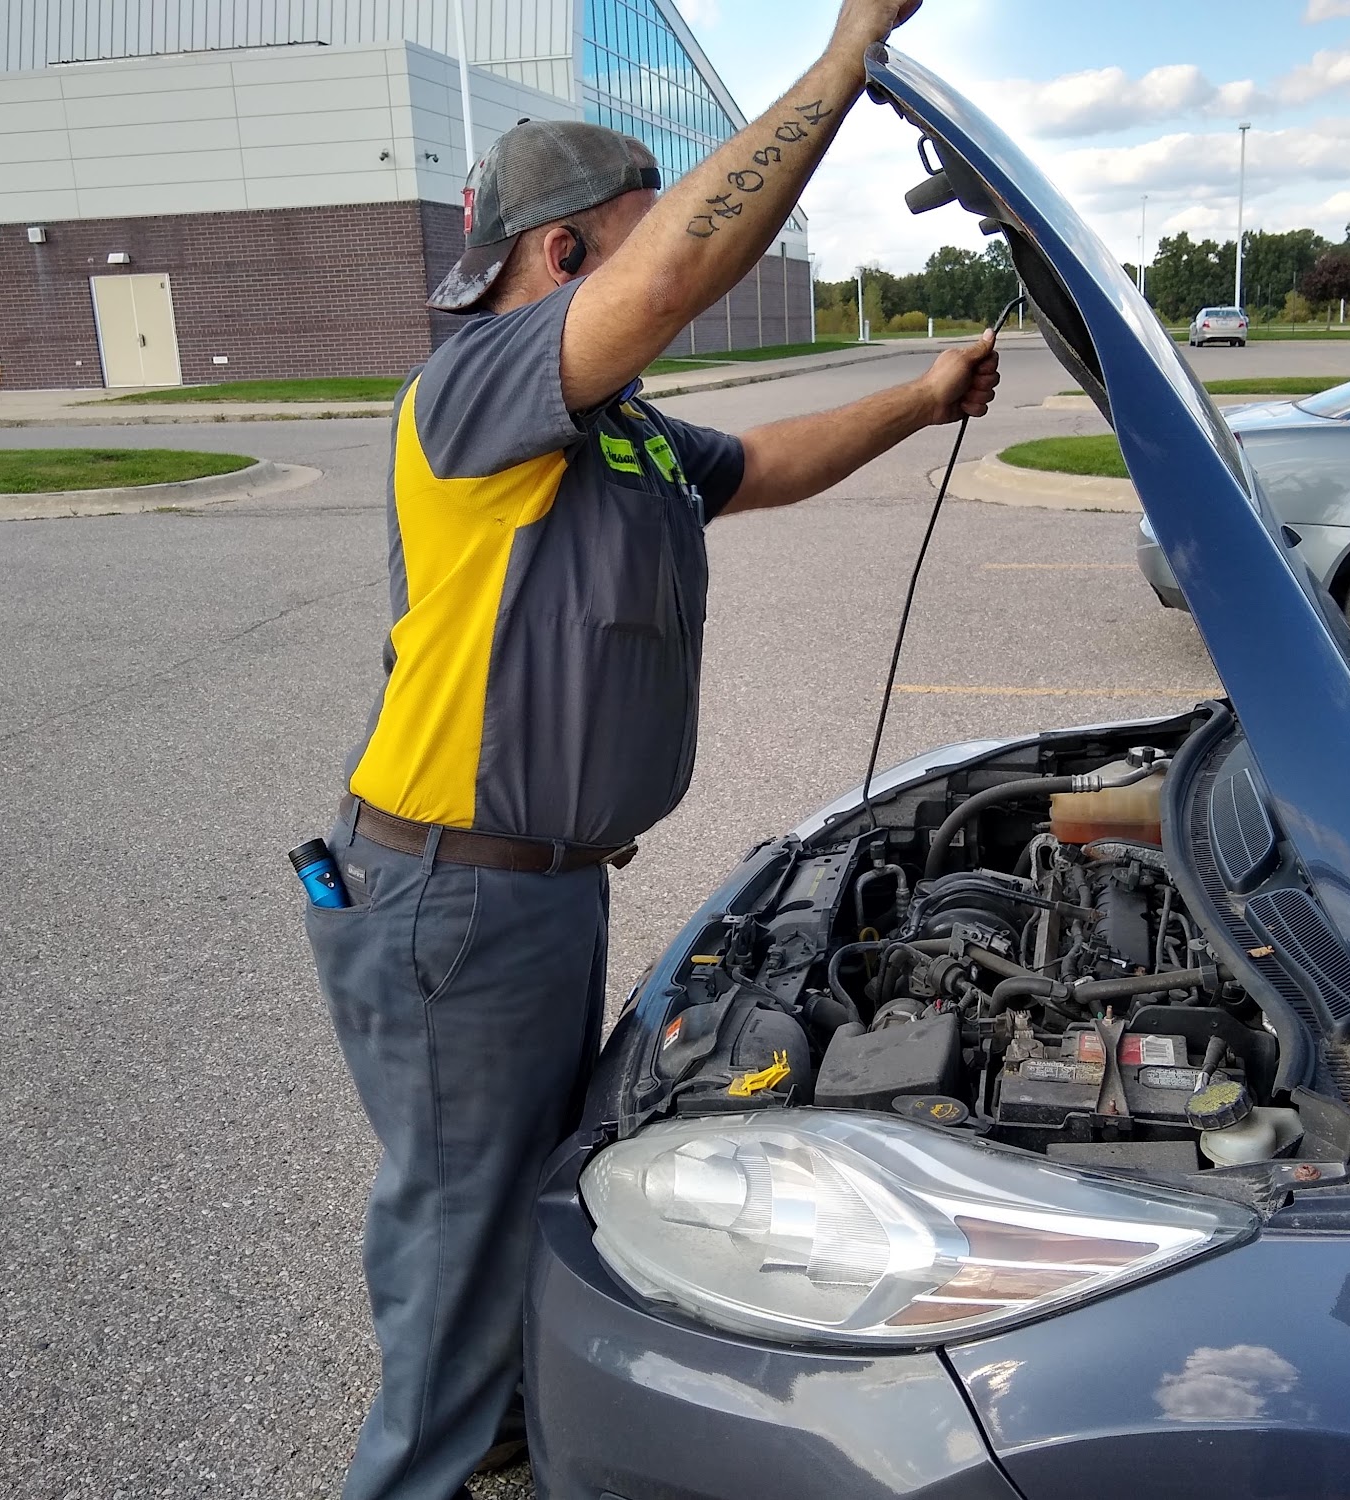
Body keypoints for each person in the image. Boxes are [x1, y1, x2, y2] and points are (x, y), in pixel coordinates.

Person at [304, 2, 997, 1496]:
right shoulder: (479, 388)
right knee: (455, 1231)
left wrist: (922, 396)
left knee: (515, 1199)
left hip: (536, 890)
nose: (662, 260)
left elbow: (761, 465)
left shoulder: (615, 431)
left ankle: (499, 1439)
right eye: (636, 232)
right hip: (450, 900)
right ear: (566, 259)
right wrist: (840, 61)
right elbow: (688, 260)